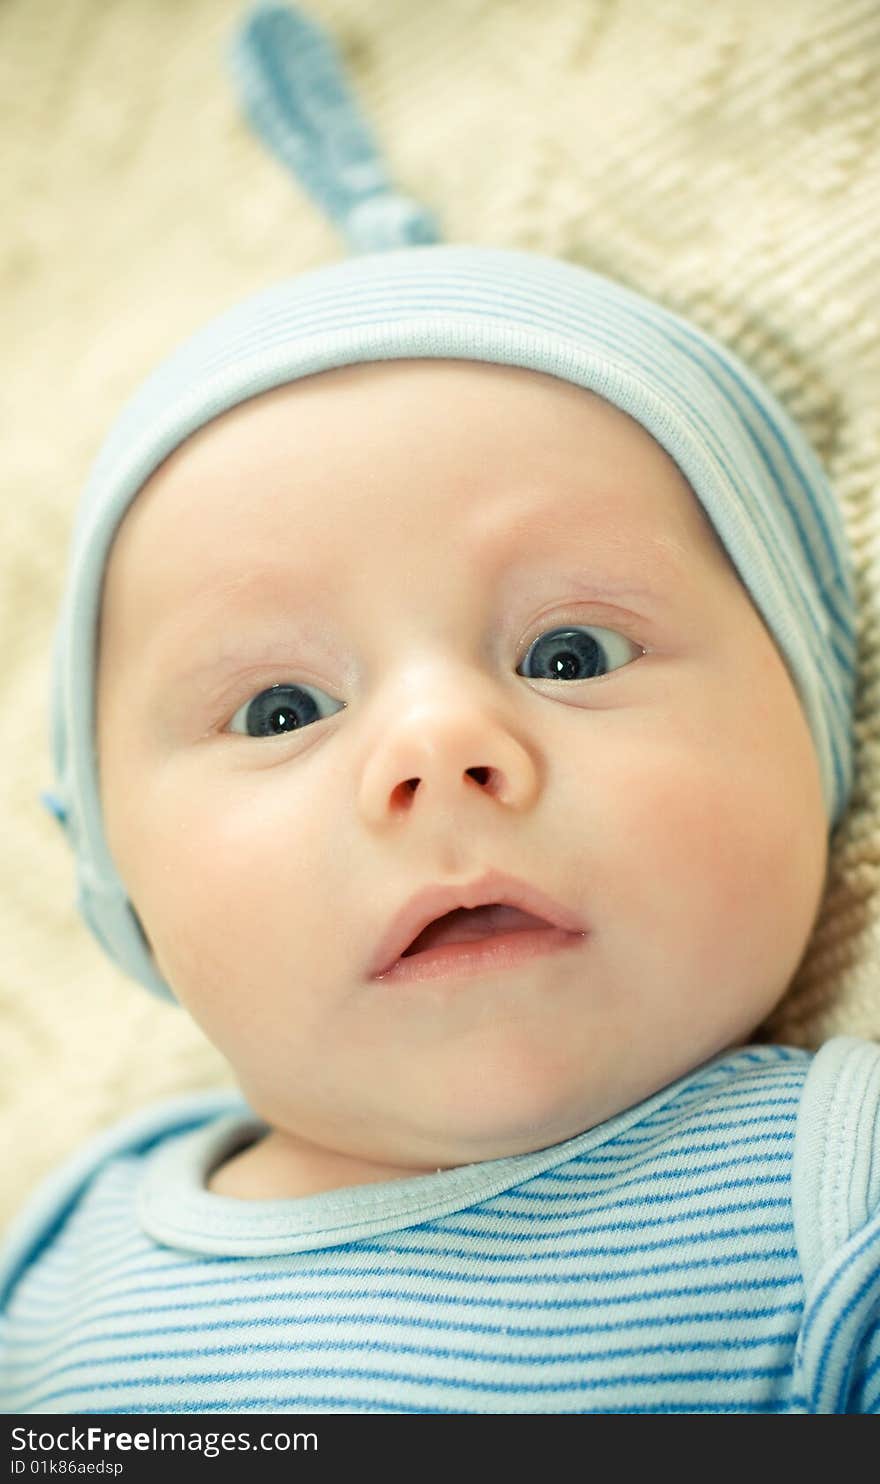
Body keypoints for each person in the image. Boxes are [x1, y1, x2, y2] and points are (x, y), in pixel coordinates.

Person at [1, 3, 878, 1415]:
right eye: (282, 705)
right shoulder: (53, 1264)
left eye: (573, 654)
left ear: (817, 734)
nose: (441, 747)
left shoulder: (831, 1203)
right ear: (116, 883)